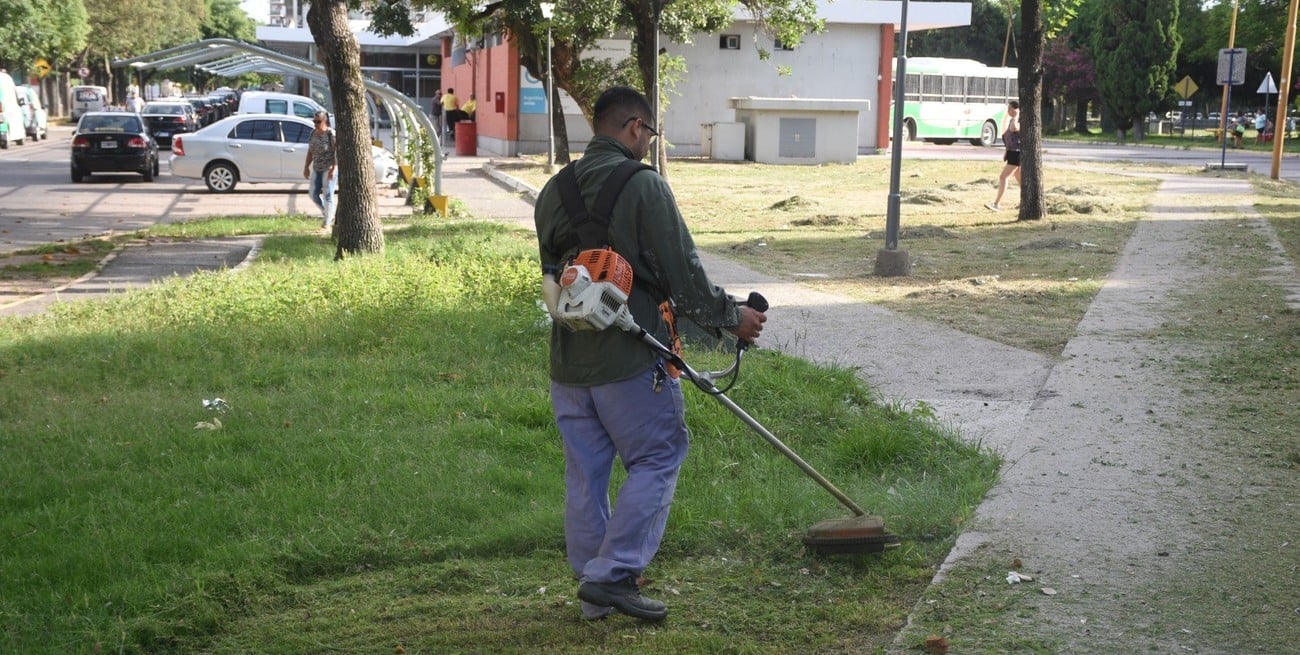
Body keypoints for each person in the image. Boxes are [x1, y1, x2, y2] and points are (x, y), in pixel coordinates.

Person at [533, 86, 766, 622]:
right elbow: (684, 276)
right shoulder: (644, 185)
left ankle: (594, 589)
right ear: (636, 128)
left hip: (568, 361)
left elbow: (553, 276)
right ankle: (613, 576)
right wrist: (733, 319)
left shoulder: (553, 191)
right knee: (657, 457)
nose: (649, 142)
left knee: (585, 473)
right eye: (651, 133)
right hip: (632, 357)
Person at [302, 110, 337, 228]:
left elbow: (337, 153)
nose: (315, 124)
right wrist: (306, 167)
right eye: (314, 121)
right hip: (317, 168)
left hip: (328, 168)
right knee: (312, 194)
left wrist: (334, 168)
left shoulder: (330, 134)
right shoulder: (313, 133)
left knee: (328, 194)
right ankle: (327, 213)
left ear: (324, 121)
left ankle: (327, 221)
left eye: (318, 121)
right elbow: (310, 151)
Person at [986, 99, 1021, 212]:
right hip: (1011, 152)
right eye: (1008, 109)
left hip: (1016, 154)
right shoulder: (1012, 119)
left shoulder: (1018, 120)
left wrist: (1017, 115)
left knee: (1003, 177)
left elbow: (1014, 128)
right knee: (1018, 178)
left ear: (1016, 109)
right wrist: (1006, 151)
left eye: (1010, 109)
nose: (1008, 111)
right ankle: (1025, 200)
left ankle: (996, 204)